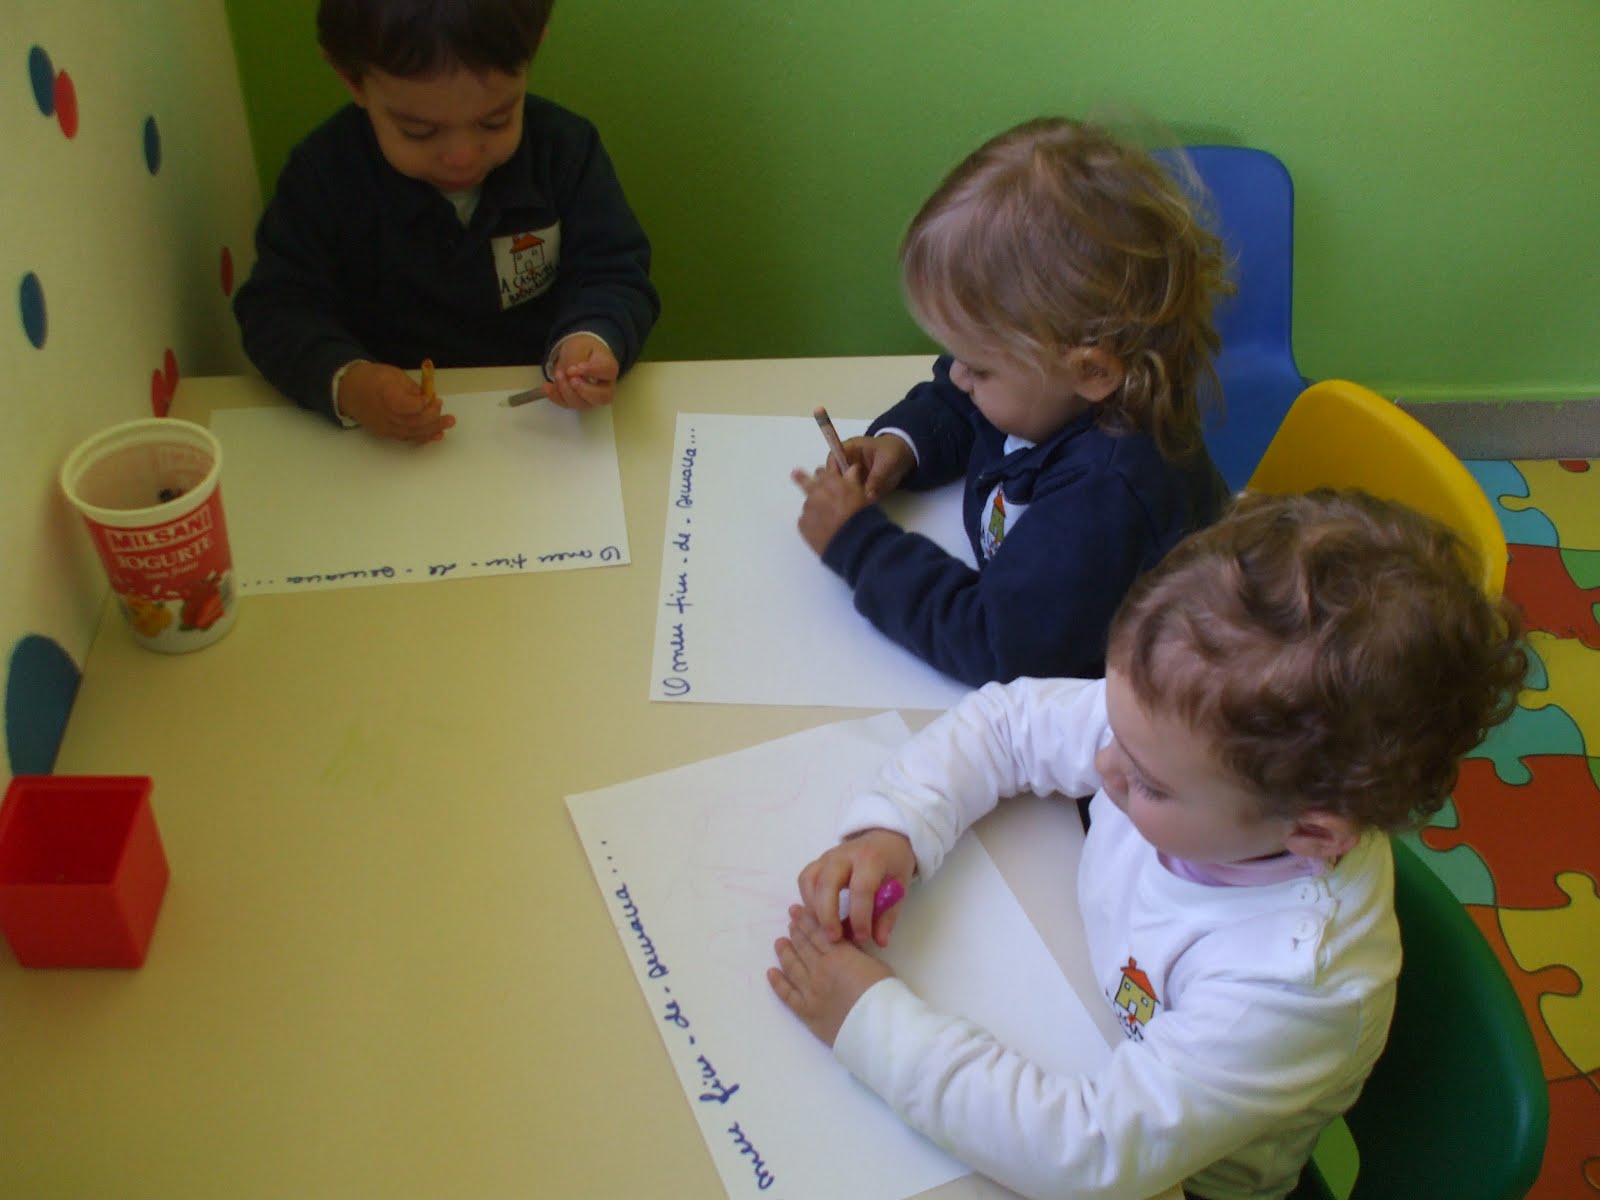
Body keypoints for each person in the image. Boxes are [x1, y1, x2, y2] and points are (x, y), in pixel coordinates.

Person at [768, 488, 1527, 1200]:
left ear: (1310, 832)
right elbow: (1009, 724)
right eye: (1115, 724)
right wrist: (897, 825)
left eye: (1148, 784)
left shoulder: (1292, 985)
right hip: (1083, 1012)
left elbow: (1084, 1153)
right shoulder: (1187, 729)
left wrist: (867, 1023)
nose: (1103, 766)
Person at [791, 117, 1231, 686]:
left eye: (977, 366)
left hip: (1112, 705)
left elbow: (993, 644)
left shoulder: (1105, 496)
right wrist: (904, 446)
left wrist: (858, 544)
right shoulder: (1051, 390)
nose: (957, 375)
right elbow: (960, 403)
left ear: (1090, 370)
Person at [233, 0, 659, 442]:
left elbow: (613, 271)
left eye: (495, 122)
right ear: (352, 80)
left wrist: (591, 339)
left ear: (532, 53)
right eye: (419, 132)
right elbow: (276, 309)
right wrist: (351, 384)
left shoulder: (564, 151)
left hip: (540, 423)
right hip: (379, 440)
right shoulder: (324, 174)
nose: (461, 157)